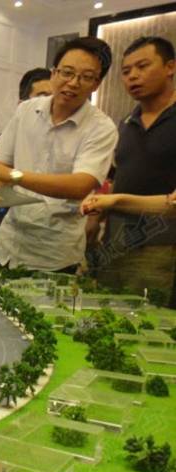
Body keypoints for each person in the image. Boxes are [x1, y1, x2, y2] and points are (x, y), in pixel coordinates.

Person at [0, 37, 118, 273]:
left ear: (96, 84)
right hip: (7, 247)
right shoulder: (26, 110)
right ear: (53, 73)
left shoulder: (101, 128)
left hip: (53, 256)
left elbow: (80, 186)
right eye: (67, 73)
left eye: (86, 77)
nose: (73, 83)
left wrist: (13, 175)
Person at [85, 36, 176, 306]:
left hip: (161, 246)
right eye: (126, 71)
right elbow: (117, 178)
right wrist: (97, 218)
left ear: (170, 67)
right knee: (105, 313)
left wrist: (116, 201)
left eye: (142, 66)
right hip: (115, 242)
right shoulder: (126, 123)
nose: (132, 76)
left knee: (147, 320)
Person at [0, 68, 52, 264]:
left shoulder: (63, 145)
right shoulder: (0, 142)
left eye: (53, 97)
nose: (49, 104)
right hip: (4, 240)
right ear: (22, 104)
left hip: (50, 246)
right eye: (42, 96)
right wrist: (15, 190)